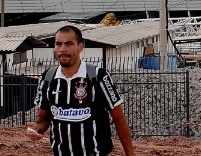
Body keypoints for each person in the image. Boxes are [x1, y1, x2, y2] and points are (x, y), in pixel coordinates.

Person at [26, 25, 134, 156]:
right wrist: (37, 128)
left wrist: (130, 154)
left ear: (80, 47)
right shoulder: (47, 78)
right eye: (58, 44)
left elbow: (119, 118)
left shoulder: (98, 76)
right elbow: (43, 118)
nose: (62, 49)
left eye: (69, 44)